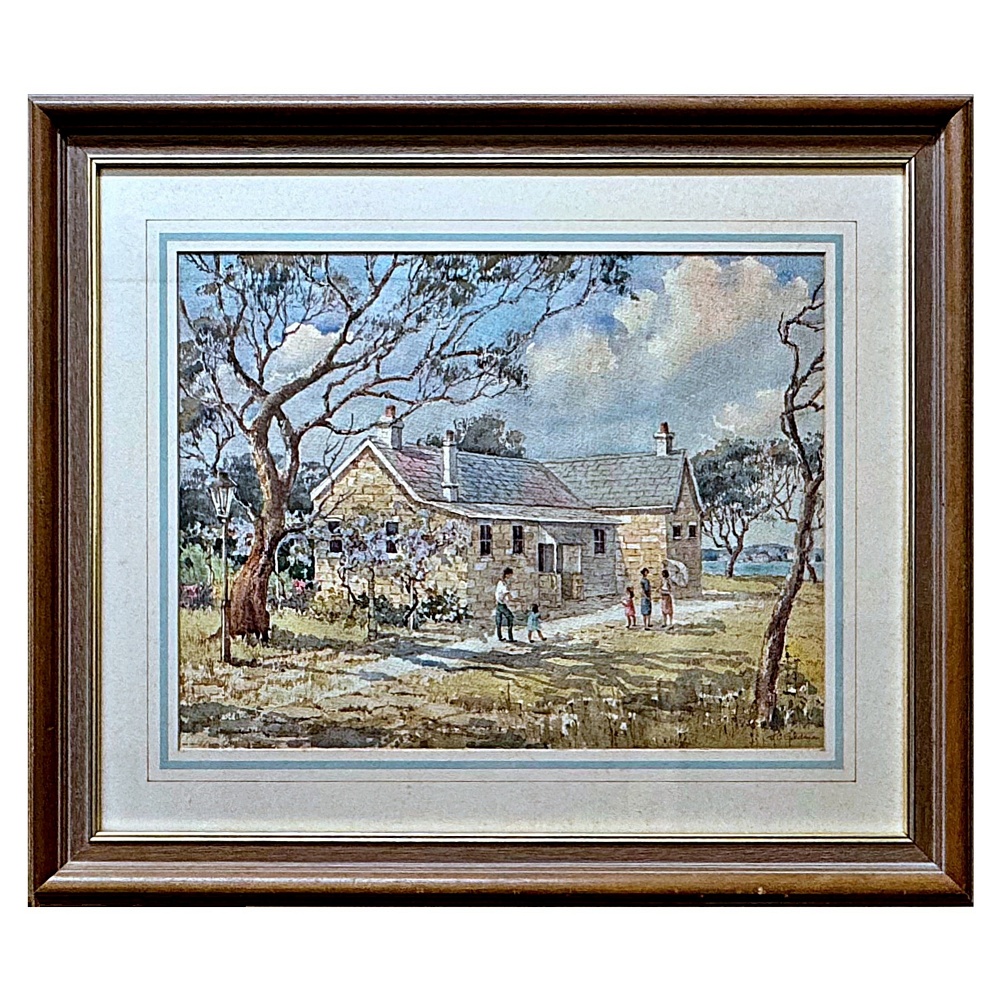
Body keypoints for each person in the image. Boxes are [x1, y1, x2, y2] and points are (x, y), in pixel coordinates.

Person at [495, 567, 515, 642]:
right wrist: (512, 598)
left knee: (499, 620)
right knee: (510, 618)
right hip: (501, 604)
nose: (511, 576)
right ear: (507, 575)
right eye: (510, 575)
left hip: (499, 603)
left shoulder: (502, 582)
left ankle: (500, 637)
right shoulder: (503, 582)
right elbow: (505, 592)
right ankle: (510, 638)